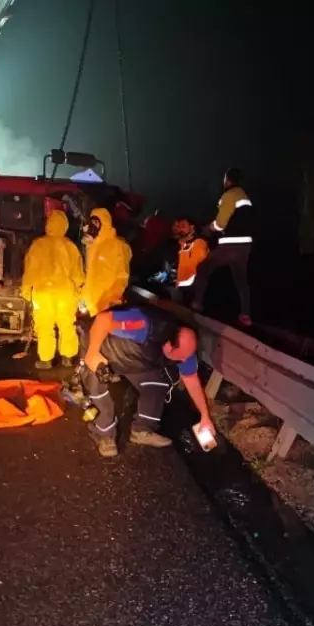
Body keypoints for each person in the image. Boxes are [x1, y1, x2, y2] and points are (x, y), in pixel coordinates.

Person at [81, 303, 216, 458]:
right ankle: (105, 435)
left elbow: (191, 378)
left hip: (134, 359)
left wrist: (205, 416)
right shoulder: (145, 325)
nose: (185, 360)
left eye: (187, 357)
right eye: (181, 357)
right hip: (103, 348)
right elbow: (103, 320)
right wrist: (91, 352)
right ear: (167, 346)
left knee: (158, 383)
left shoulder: (185, 350)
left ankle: (141, 430)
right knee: (96, 386)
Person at [191, 167, 254, 326]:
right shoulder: (245, 196)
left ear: (227, 179)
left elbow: (220, 224)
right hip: (245, 246)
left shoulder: (229, 195)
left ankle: (197, 304)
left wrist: (207, 229)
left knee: (203, 268)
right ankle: (245, 315)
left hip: (230, 245)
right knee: (241, 280)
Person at [22, 210, 84, 369]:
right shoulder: (71, 246)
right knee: (67, 325)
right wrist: (78, 291)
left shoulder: (38, 244)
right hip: (65, 292)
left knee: (44, 325)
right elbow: (78, 275)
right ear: (65, 226)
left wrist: (26, 290)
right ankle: (67, 357)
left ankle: (46, 360)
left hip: (43, 293)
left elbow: (31, 270)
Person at [80, 207, 131, 317]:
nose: (93, 226)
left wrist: (111, 300)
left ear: (104, 223)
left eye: (96, 222)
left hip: (106, 307)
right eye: (91, 222)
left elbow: (122, 277)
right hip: (91, 307)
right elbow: (90, 274)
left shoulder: (117, 245)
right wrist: (83, 297)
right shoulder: (92, 246)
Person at [172, 216, 209, 303]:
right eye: (178, 227)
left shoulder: (199, 243)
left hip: (191, 290)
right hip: (182, 287)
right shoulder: (183, 244)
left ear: (192, 227)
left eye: (183, 226)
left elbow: (201, 267)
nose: (180, 229)